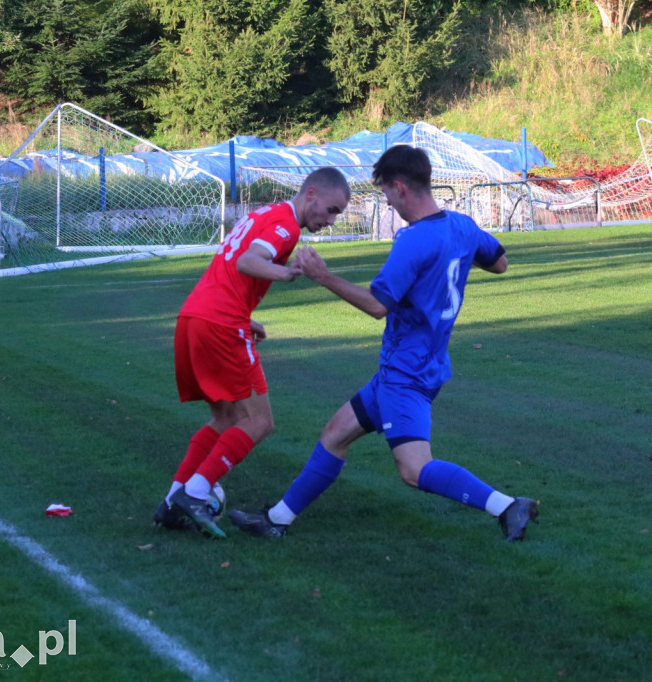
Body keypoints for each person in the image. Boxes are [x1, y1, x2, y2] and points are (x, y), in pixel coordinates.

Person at [229, 144, 539, 542]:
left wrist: (323, 276)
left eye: (387, 195)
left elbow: (377, 306)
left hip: (405, 373)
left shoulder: (412, 241)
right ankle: (277, 519)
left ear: (400, 187)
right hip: (425, 363)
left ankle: (507, 505)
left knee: (413, 469)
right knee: (335, 434)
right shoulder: (460, 226)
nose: (389, 203)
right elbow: (499, 262)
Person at [154, 168, 350, 537]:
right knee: (259, 422)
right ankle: (195, 493)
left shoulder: (265, 213)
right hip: (221, 323)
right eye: (331, 209)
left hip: (195, 316)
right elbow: (247, 261)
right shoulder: (286, 227)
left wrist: (247, 317)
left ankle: (172, 501)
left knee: (226, 419)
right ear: (311, 194)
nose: (331, 219)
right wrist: (290, 272)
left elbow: (232, 268)